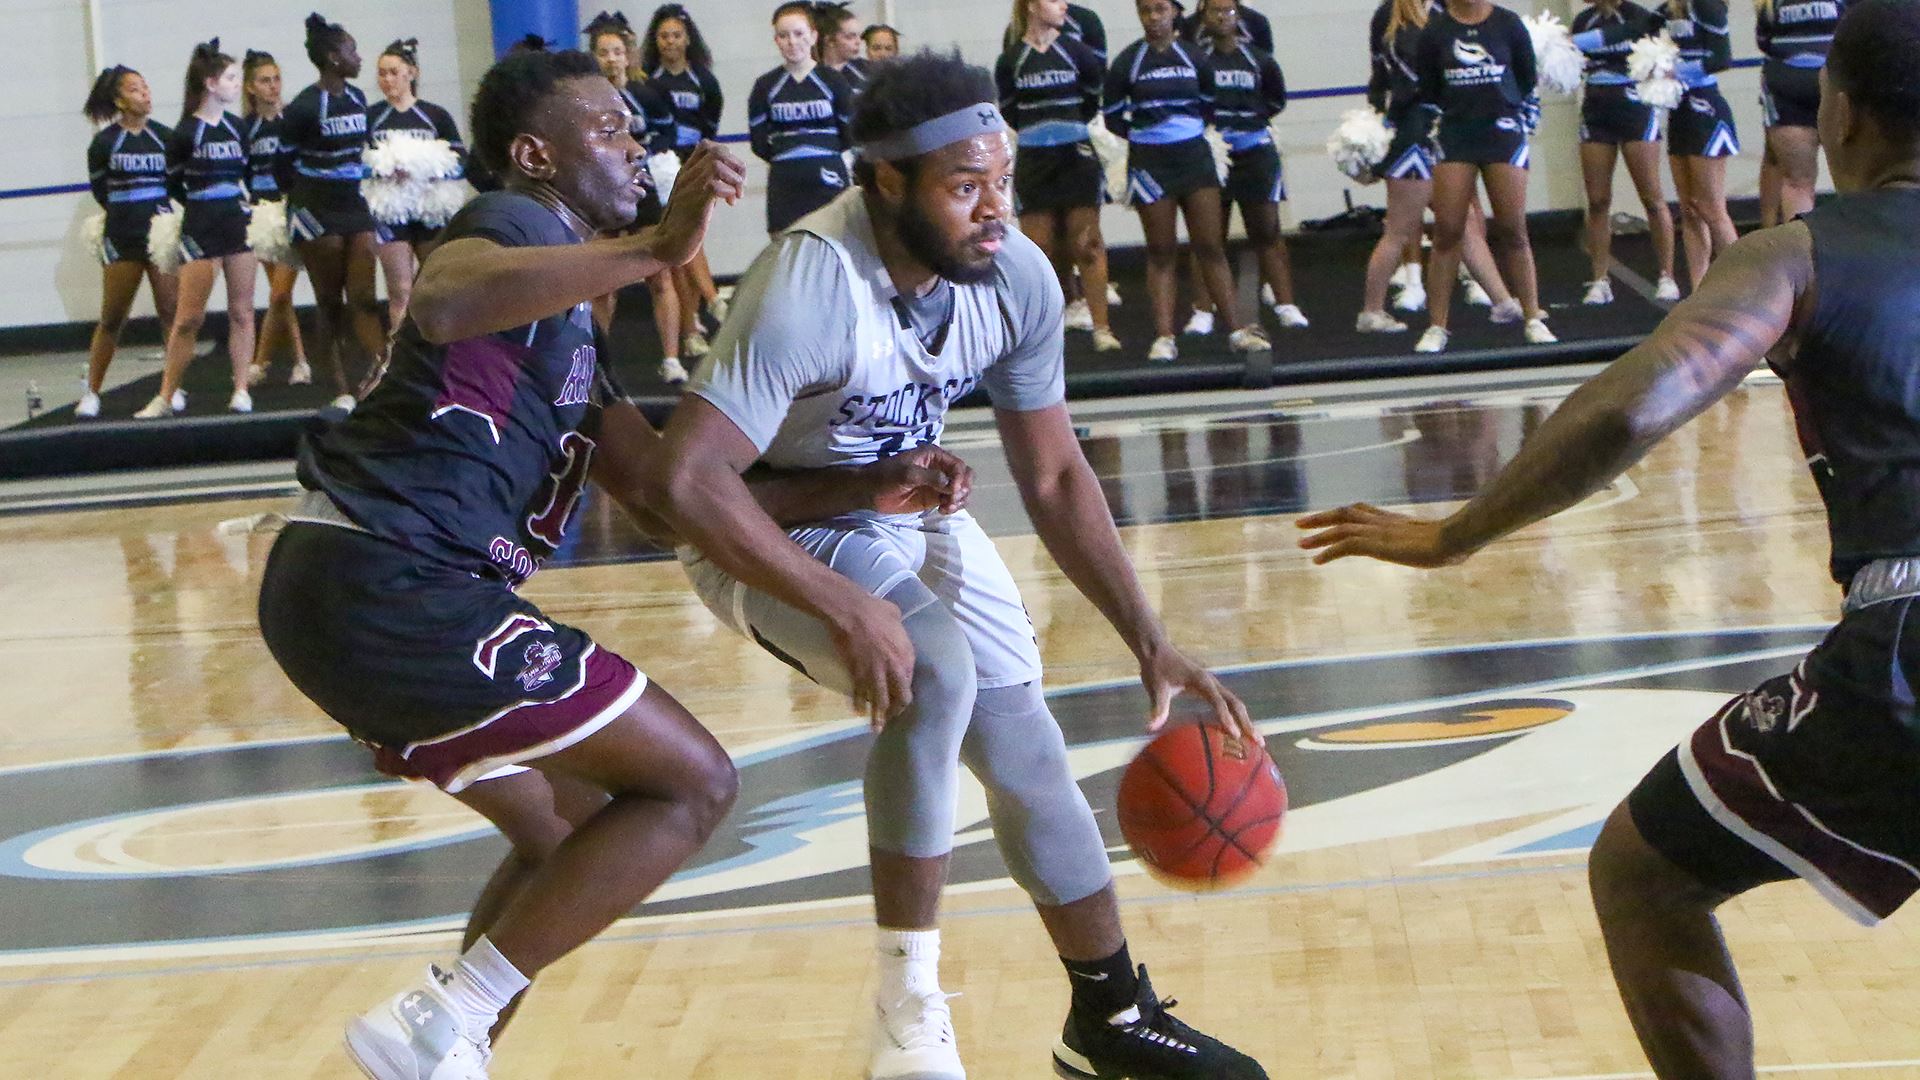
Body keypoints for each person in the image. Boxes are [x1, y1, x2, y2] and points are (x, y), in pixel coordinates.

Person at [1298, 3, 1920, 1076]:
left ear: (1844, 114)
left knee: (1646, 871)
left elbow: (1635, 406)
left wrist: (1457, 534)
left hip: (1904, 639)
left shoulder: (1800, 254)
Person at [640, 50, 1268, 1080]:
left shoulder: (1013, 274)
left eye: (1002, 180)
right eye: (963, 186)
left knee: (1026, 743)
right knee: (933, 669)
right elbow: (689, 488)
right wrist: (840, 603)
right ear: (886, 182)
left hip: (889, 503)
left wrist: (1150, 640)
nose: (993, 209)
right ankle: (908, 1007)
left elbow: (1057, 476)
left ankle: (1109, 1018)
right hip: (760, 527)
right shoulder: (811, 283)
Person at [257, 47, 750, 1080]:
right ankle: (447, 1021)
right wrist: (660, 245)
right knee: (692, 784)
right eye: (607, 129)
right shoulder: (514, 223)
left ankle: (445, 1050)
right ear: (534, 156)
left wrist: (853, 479)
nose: (634, 145)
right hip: (393, 575)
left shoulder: (571, 318)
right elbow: (442, 300)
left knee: (566, 830)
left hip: (345, 587)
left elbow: (666, 496)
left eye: (633, 126)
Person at [1107, 0, 1269, 363]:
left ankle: (1238, 330)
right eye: (1145, 11)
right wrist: (1151, 135)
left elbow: (1208, 104)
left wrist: (1182, 132)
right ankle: (1165, 335)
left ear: (1175, 12)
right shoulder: (1128, 61)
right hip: (1150, 161)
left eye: (1160, 9)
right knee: (1161, 251)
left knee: (1210, 245)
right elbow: (1113, 116)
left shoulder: (1195, 57)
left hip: (1194, 157)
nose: (1153, 18)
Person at [1356, 0, 1521, 333]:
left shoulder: (1446, 9)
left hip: (1437, 128)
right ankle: (1371, 311)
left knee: (1464, 223)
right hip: (1418, 132)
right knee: (1400, 228)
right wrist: (1375, 127)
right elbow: (1385, 78)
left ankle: (1503, 302)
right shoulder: (1393, 15)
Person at [1412, 0, 1556, 353]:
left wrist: (1511, 112)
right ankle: (1437, 326)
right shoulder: (1437, 30)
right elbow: (1428, 87)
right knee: (1447, 230)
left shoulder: (1507, 24)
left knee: (1513, 228)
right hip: (1456, 135)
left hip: (1502, 132)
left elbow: (1525, 77)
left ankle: (1532, 316)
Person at [137, 40, 258, 418]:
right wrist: (200, 208)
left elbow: (248, 174)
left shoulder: (237, 127)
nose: (238, 84)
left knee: (242, 311)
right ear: (210, 83)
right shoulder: (184, 133)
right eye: (231, 78)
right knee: (189, 316)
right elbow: (173, 184)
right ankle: (166, 393)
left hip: (236, 223)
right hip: (200, 224)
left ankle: (240, 388)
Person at [998, 0, 1122, 352]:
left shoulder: (1077, 52)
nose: (1063, 5)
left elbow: (1089, 102)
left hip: (1076, 157)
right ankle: (1042, 334)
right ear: (1033, 6)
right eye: (1054, 0)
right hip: (1036, 160)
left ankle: (1102, 328)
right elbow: (1011, 112)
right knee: (1040, 251)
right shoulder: (1011, 60)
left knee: (1087, 244)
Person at [280, 12, 388, 411]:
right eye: (352, 51)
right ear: (331, 57)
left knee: (363, 297)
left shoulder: (359, 99)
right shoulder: (305, 107)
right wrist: (304, 201)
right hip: (315, 208)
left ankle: (381, 376)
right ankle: (338, 387)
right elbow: (282, 168)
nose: (359, 58)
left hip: (352, 204)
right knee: (329, 301)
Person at [587, 10, 691, 383]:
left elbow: (668, 136)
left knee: (660, 275)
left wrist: (641, 153)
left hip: (642, 188)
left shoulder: (649, 93)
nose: (611, 58)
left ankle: (672, 359)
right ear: (595, 57)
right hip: (604, 192)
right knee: (602, 282)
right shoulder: (589, 99)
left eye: (617, 51)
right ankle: (599, 361)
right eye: (603, 52)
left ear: (628, 55)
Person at [1193, 0, 1309, 330]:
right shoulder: (1199, 61)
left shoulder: (1259, 60)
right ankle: (1203, 310)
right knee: (1209, 237)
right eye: (1215, 11)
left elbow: (1275, 100)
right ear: (1204, 16)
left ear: (1238, 15)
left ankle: (1286, 304)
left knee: (1268, 231)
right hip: (1214, 156)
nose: (1222, 17)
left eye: (1228, 11)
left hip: (1255, 154)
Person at [78, 66, 178, 420]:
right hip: (123, 235)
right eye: (135, 90)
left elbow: (176, 183)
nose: (145, 94)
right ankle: (91, 391)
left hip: (160, 234)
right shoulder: (105, 143)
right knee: (112, 318)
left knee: (171, 312)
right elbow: (101, 191)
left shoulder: (165, 137)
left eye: (146, 87)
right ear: (120, 100)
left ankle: (172, 386)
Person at [1570, 0, 1681, 304]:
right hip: (1595, 112)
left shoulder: (1638, 16)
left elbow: (1662, 57)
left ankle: (1667, 275)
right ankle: (1599, 279)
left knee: (1651, 197)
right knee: (1597, 200)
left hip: (1635, 110)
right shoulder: (1583, 21)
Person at [642, 3, 729, 348]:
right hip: (661, 166)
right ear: (656, 41)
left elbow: (712, 117)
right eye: (663, 36)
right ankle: (696, 320)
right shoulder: (649, 79)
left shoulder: (702, 78)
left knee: (695, 237)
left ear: (687, 38)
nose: (670, 42)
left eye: (676, 35)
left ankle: (697, 316)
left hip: (694, 159)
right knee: (679, 244)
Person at [368, 38, 469, 330]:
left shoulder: (435, 115)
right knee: (399, 289)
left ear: (411, 73)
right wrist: (383, 169)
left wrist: (429, 167)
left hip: (430, 209)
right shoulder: (372, 117)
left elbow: (460, 158)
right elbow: (358, 163)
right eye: (382, 73)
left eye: (394, 72)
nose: (387, 79)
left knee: (435, 283)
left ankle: (439, 350)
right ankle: (399, 357)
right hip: (390, 211)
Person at [747, 2, 856, 234]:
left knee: (837, 240)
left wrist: (824, 151)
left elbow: (849, 134)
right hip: (785, 181)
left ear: (814, 36)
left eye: (799, 34)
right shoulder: (765, 86)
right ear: (776, 40)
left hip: (829, 176)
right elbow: (759, 142)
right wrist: (786, 155)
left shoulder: (834, 81)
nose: (792, 42)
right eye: (783, 35)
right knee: (784, 246)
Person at [240, 49, 312, 389]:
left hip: (293, 208)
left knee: (280, 293)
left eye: (276, 79)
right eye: (265, 81)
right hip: (262, 214)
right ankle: (296, 361)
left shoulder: (293, 119)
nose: (273, 87)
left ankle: (262, 361)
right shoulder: (245, 128)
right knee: (279, 295)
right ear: (251, 88)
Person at [1666, 0, 1741, 289]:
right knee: (1689, 209)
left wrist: (1678, 72)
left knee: (1710, 207)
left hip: (1706, 109)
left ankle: (1745, 283)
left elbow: (1722, 57)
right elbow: (1633, 29)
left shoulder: (1708, 5)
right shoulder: (1669, 9)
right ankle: (1699, 290)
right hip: (1680, 110)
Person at [1756, 0, 1843, 224]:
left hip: (1788, 81)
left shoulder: (1771, 4)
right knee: (1852, 178)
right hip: (1833, 80)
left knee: (1797, 184)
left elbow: (1764, 41)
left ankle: (1802, 254)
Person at [815, 2, 870, 94]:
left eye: (859, 36)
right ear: (830, 41)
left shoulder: (868, 72)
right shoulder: (813, 74)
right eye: (850, 37)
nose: (858, 42)